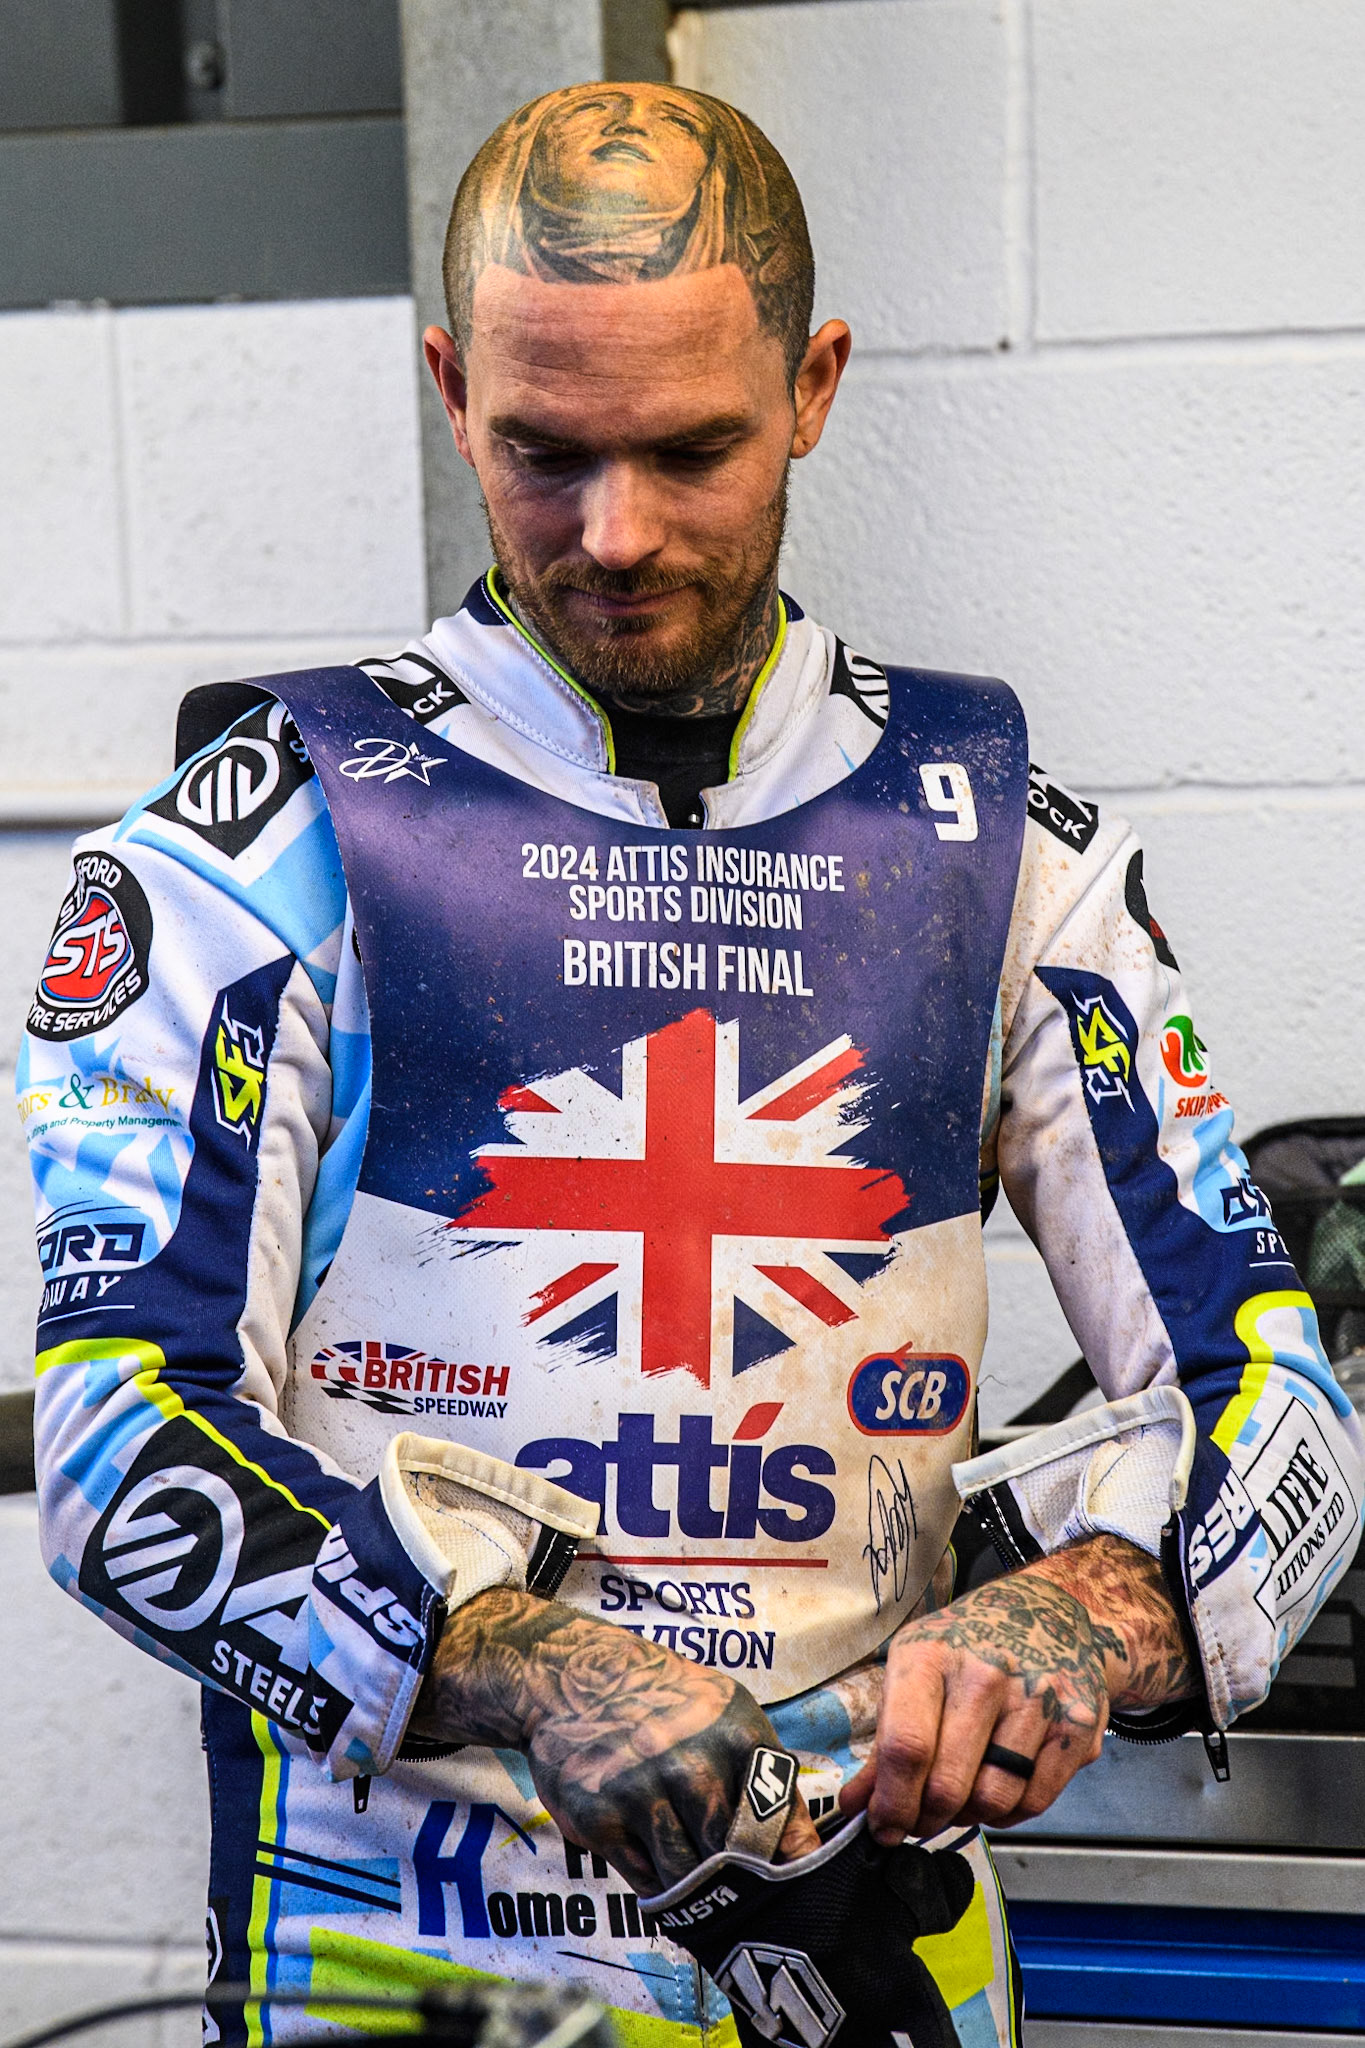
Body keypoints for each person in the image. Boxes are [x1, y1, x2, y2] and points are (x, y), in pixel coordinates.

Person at [19, 82, 1363, 2048]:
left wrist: (1087, 1611)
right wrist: (515, 1662)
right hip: (407, 1962)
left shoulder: (1003, 848)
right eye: (542, 453)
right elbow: (118, 1445)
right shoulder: (251, 849)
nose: (616, 532)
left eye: (690, 451)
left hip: (873, 1960)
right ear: (446, 384)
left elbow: (1276, 1400)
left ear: (811, 385)